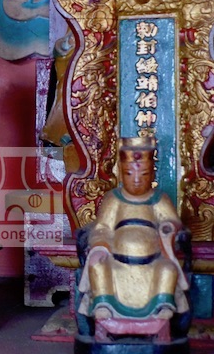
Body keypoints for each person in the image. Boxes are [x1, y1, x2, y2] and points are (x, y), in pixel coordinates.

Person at [78, 137, 189, 321]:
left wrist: (168, 227)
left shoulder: (159, 199)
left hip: (153, 261)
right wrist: (100, 245)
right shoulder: (113, 199)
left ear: (152, 175)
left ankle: (162, 304)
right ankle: (103, 303)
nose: (136, 180)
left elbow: (172, 221)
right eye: (129, 174)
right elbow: (102, 227)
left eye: (144, 174)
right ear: (121, 174)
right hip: (116, 261)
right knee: (97, 265)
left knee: (168, 270)